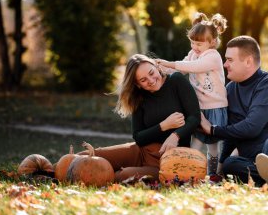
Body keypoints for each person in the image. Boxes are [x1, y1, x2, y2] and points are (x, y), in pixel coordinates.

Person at [199, 35, 268, 186]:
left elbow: (252, 127)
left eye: (230, 60)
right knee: (231, 165)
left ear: (248, 61)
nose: (225, 64)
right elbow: (232, 136)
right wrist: (220, 168)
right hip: (257, 160)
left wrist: (213, 130)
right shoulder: (230, 90)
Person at [79, 54, 201, 182]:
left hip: (168, 161)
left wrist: (175, 135)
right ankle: (56, 171)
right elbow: (138, 137)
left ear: (156, 66)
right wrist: (164, 125)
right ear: (137, 85)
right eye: (143, 80)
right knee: (89, 157)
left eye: (151, 73)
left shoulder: (176, 81)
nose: (151, 80)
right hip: (141, 151)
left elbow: (194, 117)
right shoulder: (139, 97)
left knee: (120, 176)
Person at [156, 12, 228, 176]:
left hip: (215, 106)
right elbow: (183, 66)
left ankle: (213, 173)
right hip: (199, 107)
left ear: (212, 42)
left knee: (213, 145)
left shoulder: (213, 56)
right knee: (196, 140)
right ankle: (188, 171)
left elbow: (192, 67)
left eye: (199, 44)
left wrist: (170, 63)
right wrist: (161, 68)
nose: (195, 47)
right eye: (193, 43)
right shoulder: (193, 54)